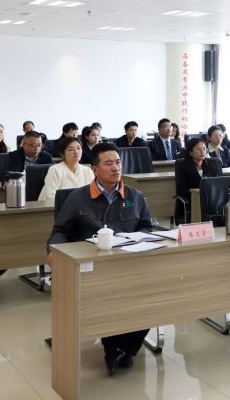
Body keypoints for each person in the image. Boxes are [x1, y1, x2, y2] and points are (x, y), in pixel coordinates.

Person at [47, 143, 152, 376]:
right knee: (111, 296)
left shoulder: (134, 196)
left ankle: (121, 346)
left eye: (118, 162)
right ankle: (117, 346)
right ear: (95, 169)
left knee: (152, 295)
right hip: (91, 268)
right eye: (109, 163)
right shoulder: (78, 198)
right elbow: (60, 230)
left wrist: (137, 241)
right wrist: (54, 251)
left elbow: (146, 227)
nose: (116, 168)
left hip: (128, 264)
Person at [174, 137, 222, 223]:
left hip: (212, 201)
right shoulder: (182, 166)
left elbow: (219, 185)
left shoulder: (213, 164)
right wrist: (200, 195)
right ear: (191, 152)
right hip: (192, 202)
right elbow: (181, 190)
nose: (202, 152)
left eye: (204, 149)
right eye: (198, 149)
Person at [38, 137, 92, 202]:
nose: (76, 152)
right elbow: (50, 196)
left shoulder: (87, 170)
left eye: (78, 148)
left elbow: (92, 193)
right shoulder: (55, 170)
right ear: (62, 154)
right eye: (71, 149)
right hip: (53, 206)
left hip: (81, 206)